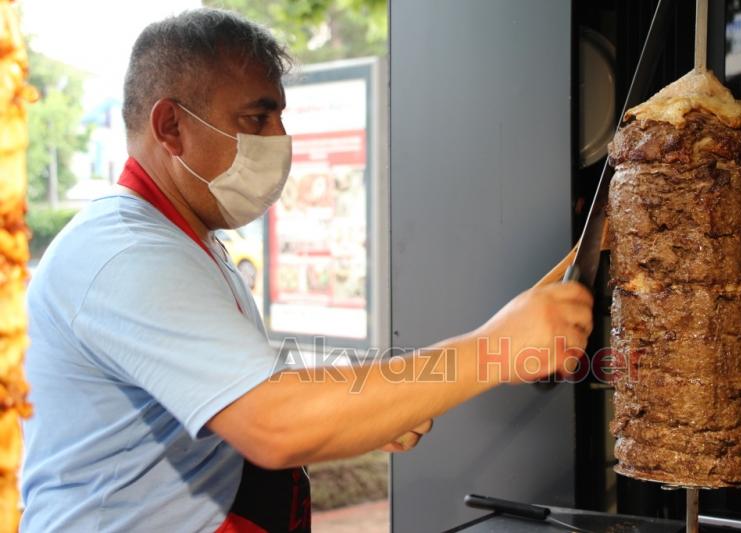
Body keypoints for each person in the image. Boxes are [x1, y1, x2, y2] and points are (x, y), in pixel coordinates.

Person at [20, 8, 593, 533]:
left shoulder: (189, 242)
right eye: (256, 118)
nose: (280, 141)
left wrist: (369, 405)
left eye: (279, 119)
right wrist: (497, 346)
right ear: (171, 126)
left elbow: (246, 393)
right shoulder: (124, 255)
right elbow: (274, 424)